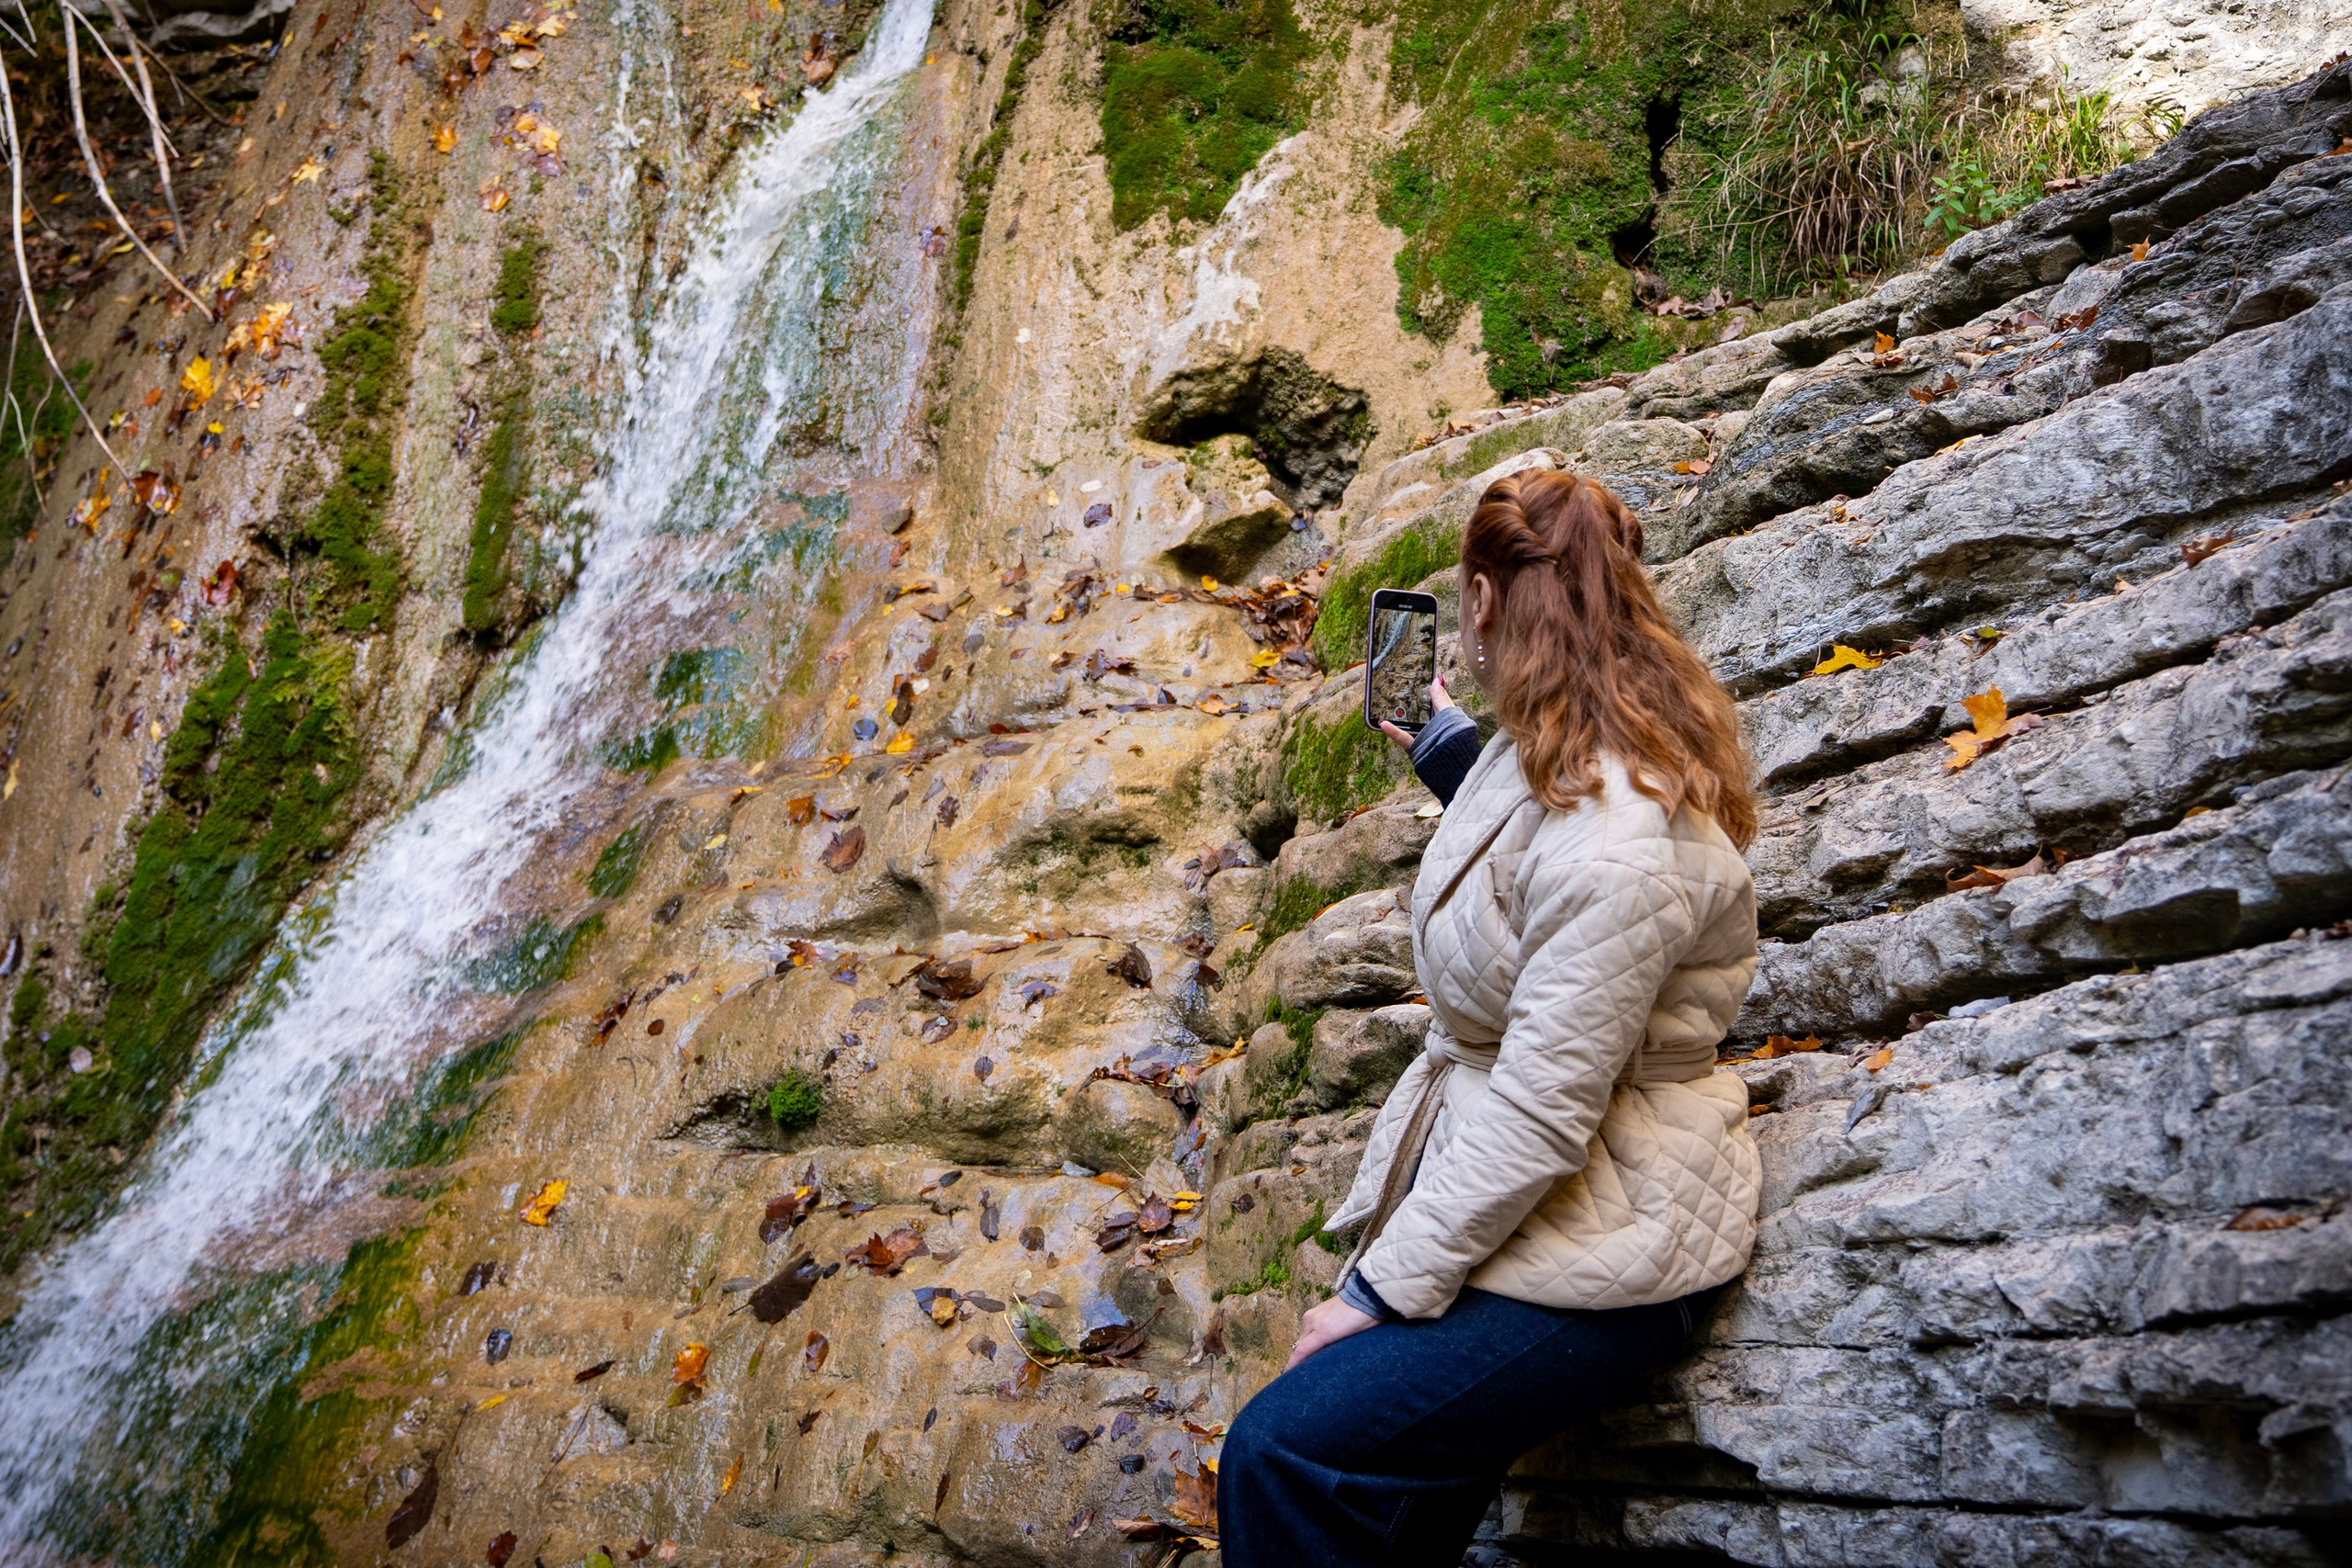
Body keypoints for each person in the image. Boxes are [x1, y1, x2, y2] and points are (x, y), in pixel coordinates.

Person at [1218, 470, 1763, 1567]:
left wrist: (1371, 1295)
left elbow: (1544, 1106)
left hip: (1611, 1248)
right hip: (1555, 1220)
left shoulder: (1616, 834)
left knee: (1282, 1454)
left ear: (1478, 602)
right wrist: (1444, 750)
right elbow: (1543, 851)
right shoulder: (1562, 743)